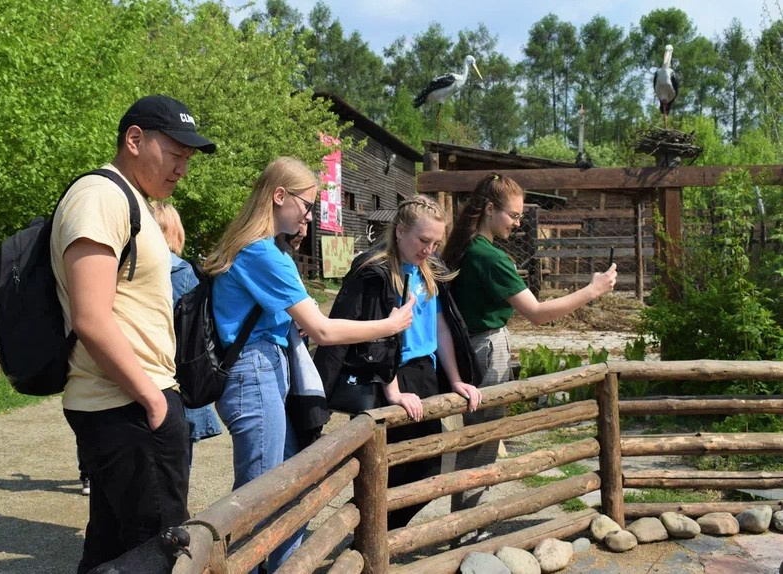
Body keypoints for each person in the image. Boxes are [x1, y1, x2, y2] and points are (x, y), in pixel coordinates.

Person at [203, 156, 415, 572]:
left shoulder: (263, 249)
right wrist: (389, 325)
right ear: (279, 196)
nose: (309, 215)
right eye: (306, 204)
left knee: (283, 481)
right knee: (259, 491)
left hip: (266, 369)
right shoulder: (261, 253)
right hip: (254, 373)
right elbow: (323, 330)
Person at [50, 94, 216, 573]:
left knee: (112, 551)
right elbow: (91, 317)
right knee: (157, 553)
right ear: (135, 139)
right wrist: (154, 401)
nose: (182, 168)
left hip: (128, 406)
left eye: (188, 158)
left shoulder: (129, 199)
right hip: (128, 407)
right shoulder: (102, 197)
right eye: (176, 153)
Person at [441, 173, 617, 535]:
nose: (518, 223)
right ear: (489, 210)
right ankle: (468, 526)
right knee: (483, 440)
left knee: (478, 437)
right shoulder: (489, 257)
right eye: (514, 215)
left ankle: (466, 522)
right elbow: (536, 313)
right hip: (486, 350)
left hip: (467, 349)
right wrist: (593, 290)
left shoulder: (464, 247)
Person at [314, 195, 483, 531]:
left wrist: (455, 378)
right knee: (388, 466)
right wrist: (392, 391)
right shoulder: (374, 271)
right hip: (390, 377)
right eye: (423, 240)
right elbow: (375, 339)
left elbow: (442, 328)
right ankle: (373, 536)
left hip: (425, 373)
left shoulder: (429, 271)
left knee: (428, 462)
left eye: (435, 243)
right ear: (400, 231)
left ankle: (383, 533)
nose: (429, 250)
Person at [153, 201, 223, 470]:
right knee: (177, 469)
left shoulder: (127, 271)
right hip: (179, 379)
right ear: (176, 232)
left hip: (139, 373)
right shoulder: (187, 274)